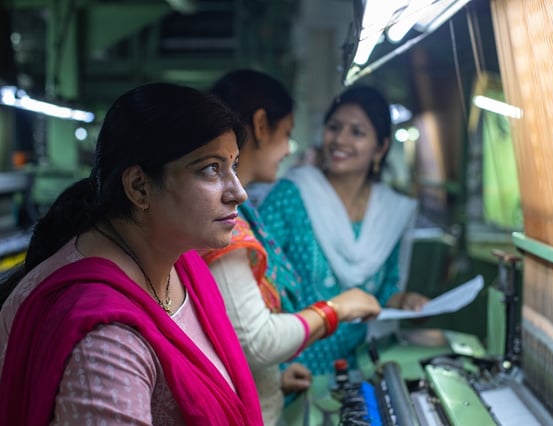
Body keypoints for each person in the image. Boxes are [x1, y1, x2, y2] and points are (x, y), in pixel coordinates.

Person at [0, 82, 263, 425]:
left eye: (234, 165)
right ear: (139, 186)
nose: (238, 192)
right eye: (211, 168)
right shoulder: (104, 344)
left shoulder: (179, 264)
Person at [200, 69, 381, 425]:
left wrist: (271, 379)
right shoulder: (226, 220)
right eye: (286, 134)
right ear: (261, 125)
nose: (288, 149)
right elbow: (256, 340)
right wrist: (336, 308)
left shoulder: (242, 211)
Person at [259, 85, 429, 375]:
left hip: (357, 369)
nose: (340, 140)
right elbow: (258, 279)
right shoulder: (293, 195)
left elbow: (386, 290)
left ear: (381, 147)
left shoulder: (390, 212)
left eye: (357, 132)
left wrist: (406, 302)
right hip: (291, 368)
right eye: (334, 127)